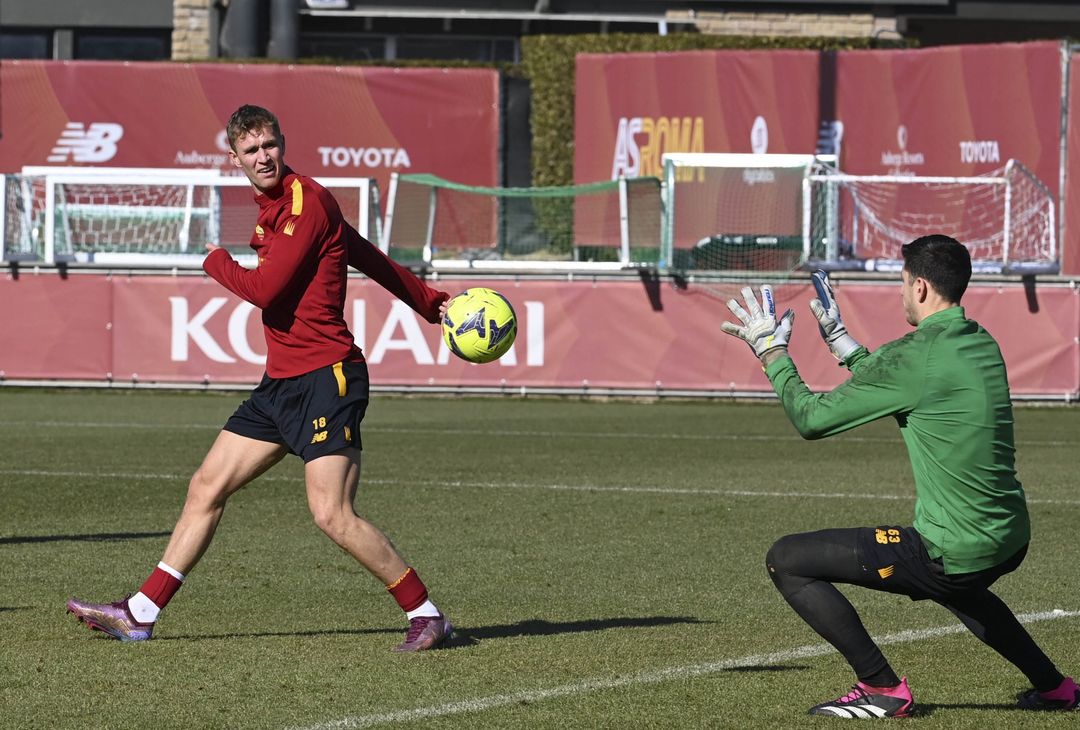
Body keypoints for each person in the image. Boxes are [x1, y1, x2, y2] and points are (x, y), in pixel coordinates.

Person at [67, 104, 455, 652]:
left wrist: (216, 262)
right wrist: (427, 301)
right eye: (251, 150)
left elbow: (264, 291)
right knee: (207, 486)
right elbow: (364, 253)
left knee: (332, 515)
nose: (263, 156)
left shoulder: (306, 200)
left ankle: (426, 614)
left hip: (328, 378)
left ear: (283, 143)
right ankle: (141, 612)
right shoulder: (274, 208)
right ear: (235, 159)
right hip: (281, 385)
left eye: (270, 144)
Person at [720, 234, 1077, 718]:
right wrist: (841, 342)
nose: (901, 293)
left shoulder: (916, 355)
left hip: (953, 549)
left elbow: (812, 419)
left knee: (788, 559)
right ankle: (1056, 688)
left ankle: (880, 687)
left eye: (904, 283)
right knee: (963, 589)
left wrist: (771, 353)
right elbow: (905, 382)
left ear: (923, 287)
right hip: (1010, 537)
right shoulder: (977, 339)